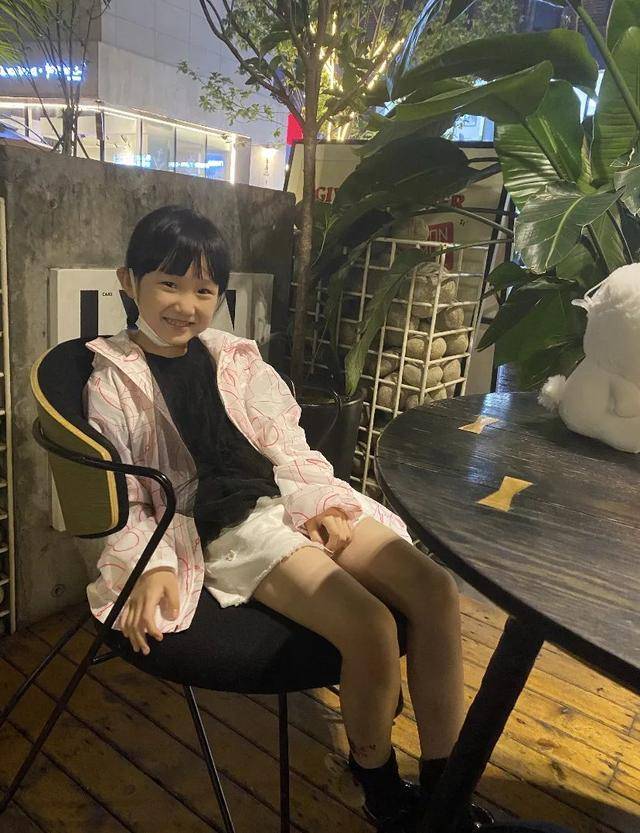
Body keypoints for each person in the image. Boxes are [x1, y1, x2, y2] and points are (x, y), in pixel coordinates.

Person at [83, 205, 489, 833]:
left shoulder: (234, 357)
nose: (186, 305)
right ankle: (379, 788)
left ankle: (446, 791)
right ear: (127, 281)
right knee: (371, 625)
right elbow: (130, 498)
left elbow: (288, 444)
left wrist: (321, 502)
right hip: (223, 526)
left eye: (204, 290)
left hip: (288, 498)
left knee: (435, 590)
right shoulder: (113, 381)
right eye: (168, 283)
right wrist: (152, 566)